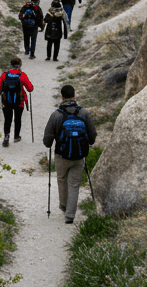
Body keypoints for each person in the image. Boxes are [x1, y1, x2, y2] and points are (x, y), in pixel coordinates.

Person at [43, 84, 97, 224]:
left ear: (62, 97)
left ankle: (64, 205)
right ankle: (70, 215)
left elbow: (47, 139)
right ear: (74, 96)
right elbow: (92, 135)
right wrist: (89, 142)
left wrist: (49, 144)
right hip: (79, 155)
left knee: (62, 179)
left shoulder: (56, 115)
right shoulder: (84, 113)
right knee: (74, 184)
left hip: (61, 155)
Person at [0, 57, 34, 148]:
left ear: (11, 65)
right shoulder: (22, 75)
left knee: (7, 119)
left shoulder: (4, 75)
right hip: (19, 102)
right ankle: (16, 136)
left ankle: (6, 137)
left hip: (6, 101)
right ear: (20, 65)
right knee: (18, 118)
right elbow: (30, 88)